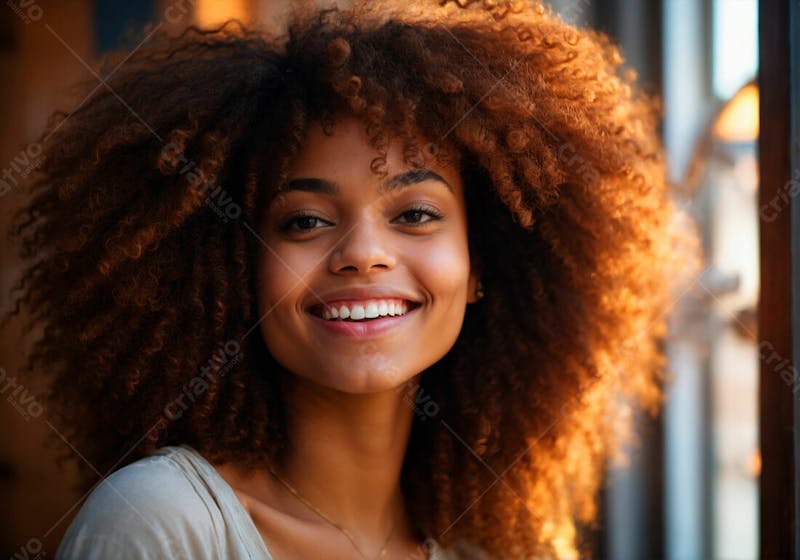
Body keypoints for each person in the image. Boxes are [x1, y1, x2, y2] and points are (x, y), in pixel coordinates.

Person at [4, 0, 699, 558]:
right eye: (304, 221)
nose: (363, 254)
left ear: (482, 263)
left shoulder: (486, 546)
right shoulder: (163, 526)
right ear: (232, 269)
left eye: (417, 212)